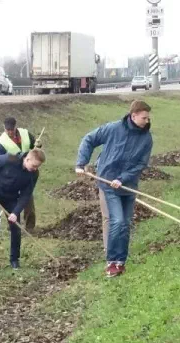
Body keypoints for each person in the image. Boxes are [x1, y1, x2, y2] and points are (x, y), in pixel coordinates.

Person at [74, 99, 153, 278]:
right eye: (144, 118)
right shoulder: (113, 129)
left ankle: (120, 262)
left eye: (148, 118)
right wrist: (81, 163)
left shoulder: (146, 138)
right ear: (133, 116)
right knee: (116, 220)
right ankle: (111, 262)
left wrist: (122, 178)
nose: (147, 121)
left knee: (125, 223)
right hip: (108, 183)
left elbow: (141, 164)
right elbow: (89, 139)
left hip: (128, 185)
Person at [0, 149, 45, 270]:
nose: (35, 168)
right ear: (27, 159)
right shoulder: (10, 159)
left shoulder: (34, 174)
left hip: (11, 198)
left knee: (15, 227)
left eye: (38, 166)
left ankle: (14, 260)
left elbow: (26, 194)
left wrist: (15, 212)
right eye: (34, 165)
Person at [0, 117, 43, 230]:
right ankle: (13, 225)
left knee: (27, 197)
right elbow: (1, 161)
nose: (10, 132)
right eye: (7, 130)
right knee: (10, 198)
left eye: (11, 129)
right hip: (12, 175)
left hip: (29, 171)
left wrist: (39, 145)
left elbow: (35, 149)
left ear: (15, 126)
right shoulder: (1, 142)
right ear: (4, 128)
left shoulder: (25, 134)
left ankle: (29, 226)